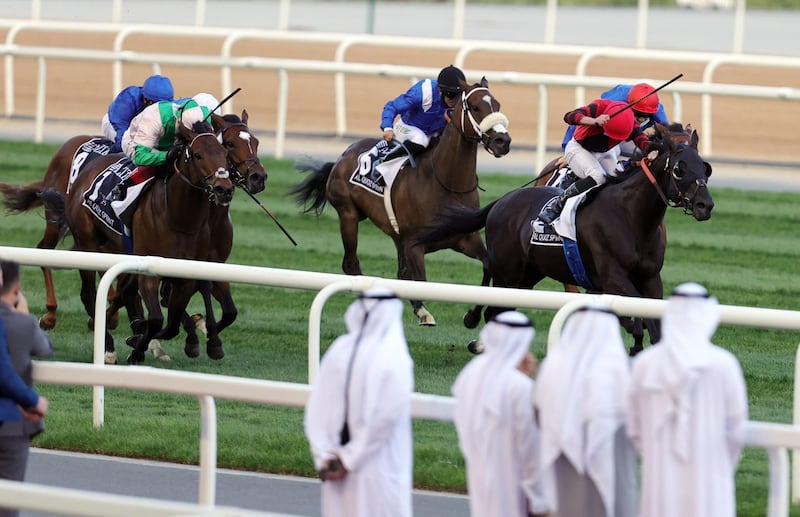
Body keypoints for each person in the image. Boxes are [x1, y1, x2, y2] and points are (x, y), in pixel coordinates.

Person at [627, 282, 748, 517]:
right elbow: (736, 432)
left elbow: (635, 430)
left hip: (660, 481)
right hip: (711, 483)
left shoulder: (645, 364)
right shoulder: (724, 364)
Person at [304, 288, 414, 517]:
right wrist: (350, 458)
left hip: (335, 464)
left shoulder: (339, 349)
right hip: (378, 469)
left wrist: (326, 455)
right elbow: (383, 419)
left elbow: (316, 412)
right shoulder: (394, 357)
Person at [534, 305, 637, 517]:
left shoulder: (552, 366)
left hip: (560, 463)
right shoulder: (615, 369)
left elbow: (537, 414)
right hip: (610, 467)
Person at [452, 311, 551, 517]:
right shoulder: (519, 387)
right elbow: (529, 448)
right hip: (515, 485)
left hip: (480, 474)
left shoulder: (468, 375)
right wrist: (540, 499)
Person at [536, 99, 651, 226]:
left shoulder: (629, 120)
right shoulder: (599, 106)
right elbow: (569, 116)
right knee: (599, 177)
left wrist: (652, 150)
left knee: (618, 180)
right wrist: (594, 121)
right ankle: (556, 205)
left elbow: (641, 139)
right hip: (578, 148)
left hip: (603, 152)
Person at [0, 260, 54, 517]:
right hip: (12, 422)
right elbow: (45, 348)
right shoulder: (23, 324)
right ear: (16, 289)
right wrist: (32, 400)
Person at [111, 92, 220, 201]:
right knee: (165, 165)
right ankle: (124, 186)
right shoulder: (154, 117)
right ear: (179, 121)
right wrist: (166, 156)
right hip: (135, 142)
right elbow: (140, 157)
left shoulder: (203, 120)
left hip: (168, 142)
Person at [378, 64, 466, 163]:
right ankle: (385, 160)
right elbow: (392, 106)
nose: (455, 100)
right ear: (440, 90)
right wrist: (388, 128)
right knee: (421, 140)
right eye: (451, 94)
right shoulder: (422, 93)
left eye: (458, 95)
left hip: (431, 134)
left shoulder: (462, 100)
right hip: (407, 128)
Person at [560, 82, 669, 154]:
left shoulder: (656, 110)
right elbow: (577, 123)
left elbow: (668, 132)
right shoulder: (615, 103)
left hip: (624, 137)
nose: (641, 120)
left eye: (646, 117)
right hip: (591, 138)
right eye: (638, 115)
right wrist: (569, 153)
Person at [101, 74, 175, 153]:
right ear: (146, 100)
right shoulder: (127, 100)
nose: (160, 109)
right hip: (114, 125)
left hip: (139, 126)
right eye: (157, 104)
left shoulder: (167, 105)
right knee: (133, 144)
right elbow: (122, 141)